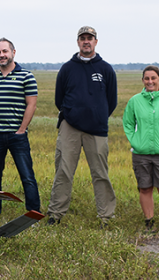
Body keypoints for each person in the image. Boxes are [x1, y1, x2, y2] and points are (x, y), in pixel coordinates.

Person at [48, 26, 118, 226]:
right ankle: (55, 214)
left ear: (96, 41)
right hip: (70, 126)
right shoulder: (67, 68)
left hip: (97, 129)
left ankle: (106, 216)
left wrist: (97, 115)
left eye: (90, 38)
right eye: (83, 38)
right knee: (64, 170)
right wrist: (71, 114)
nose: (86, 41)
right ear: (78, 42)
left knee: (100, 173)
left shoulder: (105, 69)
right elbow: (59, 99)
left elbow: (111, 101)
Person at [0, 38, 41, 217]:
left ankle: (33, 212)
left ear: (13, 53)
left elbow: (31, 105)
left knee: (27, 176)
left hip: (18, 136)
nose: (1, 55)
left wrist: (22, 129)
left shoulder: (26, 76)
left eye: (5, 51)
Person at [123, 65, 159, 235]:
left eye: (153, 78)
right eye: (147, 78)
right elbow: (128, 123)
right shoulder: (135, 101)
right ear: (143, 81)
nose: (150, 81)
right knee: (145, 188)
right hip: (141, 153)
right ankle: (149, 222)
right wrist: (135, 141)